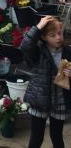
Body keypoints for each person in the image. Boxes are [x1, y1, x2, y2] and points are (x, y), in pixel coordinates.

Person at [20, 16, 71, 148]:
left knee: (57, 136)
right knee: (36, 137)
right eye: (52, 35)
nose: (58, 38)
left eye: (59, 33)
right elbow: (25, 45)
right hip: (40, 100)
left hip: (60, 101)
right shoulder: (38, 52)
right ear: (43, 37)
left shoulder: (68, 51)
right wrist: (38, 27)